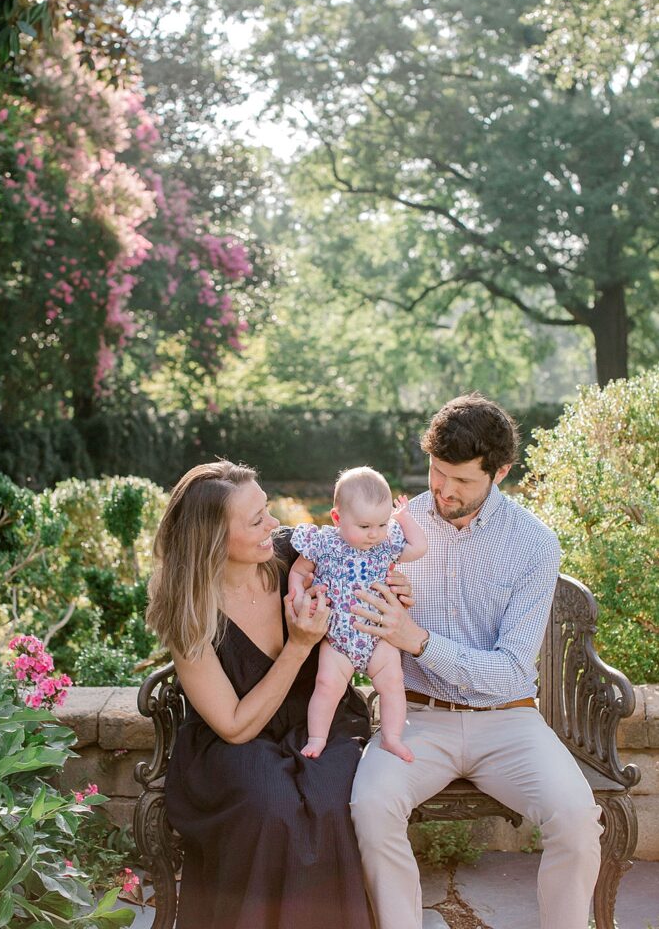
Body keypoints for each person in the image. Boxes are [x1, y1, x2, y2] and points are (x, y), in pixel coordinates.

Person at [349, 394, 603, 929]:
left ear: (501, 472)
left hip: (510, 720)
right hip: (416, 719)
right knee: (371, 807)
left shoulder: (534, 544)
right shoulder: (395, 528)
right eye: (438, 473)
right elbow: (357, 608)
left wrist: (418, 640)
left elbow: (511, 672)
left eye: (462, 481)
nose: (444, 490)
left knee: (578, 820)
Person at [145, 460, 408, 929]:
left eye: (266, 510)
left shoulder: (294, 554)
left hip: (319, 719)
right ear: (214, 540)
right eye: (256, 520)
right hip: (233, 742)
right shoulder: (189, 608)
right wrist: (299, 646)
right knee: (269, 804)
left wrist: (393, 589)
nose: (274, 525)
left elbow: (370, 555)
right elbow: (233, 724)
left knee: (332, 796)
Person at [289, 466, 427, 762]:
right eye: (364, 527)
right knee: (326, 685)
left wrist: (403, 518)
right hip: (338, 637)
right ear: (337, 518)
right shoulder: (324, 543)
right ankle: (317, 738)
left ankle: (391, 737)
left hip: (379, 637)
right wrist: (298, 595)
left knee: (392, 683)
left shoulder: (385, 546)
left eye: (382, 524)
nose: (374, 534)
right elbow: (299, 571)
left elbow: (419, 547)